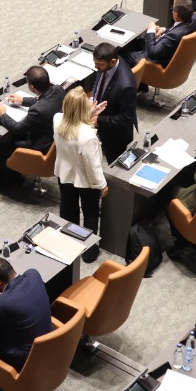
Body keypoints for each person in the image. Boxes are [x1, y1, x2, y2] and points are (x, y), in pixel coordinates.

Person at [0, 256, 53, 371]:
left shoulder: (1, 303)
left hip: (25, 358)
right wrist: (5, 296)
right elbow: (22, 295)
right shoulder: (33, 274)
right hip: (50, 343)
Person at [53, 88, 107, 261]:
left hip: (64, 174)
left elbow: (74, 123)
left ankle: (68, 244)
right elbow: (94, 166)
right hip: (86, 181)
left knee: (68, 209)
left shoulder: (57, 120)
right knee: (90, 213)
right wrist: (102, 185)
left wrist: (88, 117)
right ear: (83, 109)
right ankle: (90, 253)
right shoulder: (88, 136)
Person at [0, 65, 63, 188]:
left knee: (2, 148)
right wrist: (23, 100)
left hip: (41, 148)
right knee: (17, 136)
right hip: (55, 140)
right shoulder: (59, 90)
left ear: (31, 87)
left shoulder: (37, 110)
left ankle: (14, 180)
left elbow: (17, 128)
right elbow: (45, 100)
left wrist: (2, 114)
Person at [87, 42, 138, 161]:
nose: (96, 67)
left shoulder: (126, 85)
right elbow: (98, 81)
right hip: (104, 116)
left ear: (113, 62)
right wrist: (91, 99)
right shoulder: (105, 64)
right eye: (95, 63)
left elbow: (126, 117)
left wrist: (98, 120)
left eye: (99, 64)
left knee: (114, 163)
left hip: (116, 133)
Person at [131, 0, 196, 71]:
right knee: (138, 42)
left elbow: (153, 53)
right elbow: (178, 29)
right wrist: (164, 30)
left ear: (176, 15)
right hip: (167, 52)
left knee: (123, 52)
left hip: (156, 62)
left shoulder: (174, 35)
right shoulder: (194, 21)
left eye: (172, 9)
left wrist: (151, 30)